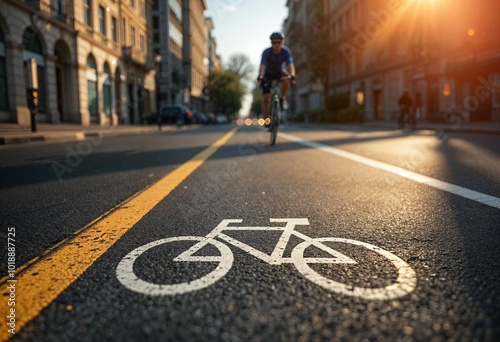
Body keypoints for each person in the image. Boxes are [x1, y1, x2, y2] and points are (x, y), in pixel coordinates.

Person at [257, 32, 296, 123]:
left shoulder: (286, 51)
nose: (276, 45)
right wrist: (261, 76)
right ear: (271, 43)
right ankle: (266, 120)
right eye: (274, 43)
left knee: (286, 80)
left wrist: (292, 75)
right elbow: (262, 66)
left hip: (279, 72)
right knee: (266, 98)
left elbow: (290, 65)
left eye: (279, 42)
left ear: (282, 42)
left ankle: (282, 98)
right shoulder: (266, 52)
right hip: (267, 74)